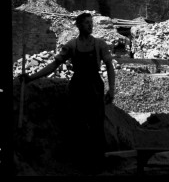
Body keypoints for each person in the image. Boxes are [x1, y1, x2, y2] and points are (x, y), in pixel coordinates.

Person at [20, 12, 116, 172]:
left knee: (96, 125)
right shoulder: (71, 46)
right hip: (77, 88)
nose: (90, 26)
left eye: (91, 23)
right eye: (86, 23)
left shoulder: (100, 44)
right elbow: (54, 65)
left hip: (94, 88)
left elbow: (110, 67)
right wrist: (31, 78)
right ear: (79, 26)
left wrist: (111, 90)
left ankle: (98, 164)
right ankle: (79, 163)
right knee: (78, 124)